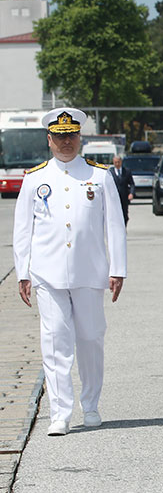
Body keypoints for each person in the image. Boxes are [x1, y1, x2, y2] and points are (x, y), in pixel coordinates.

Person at [13, 108, 127, 436]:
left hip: (90, 272)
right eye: (60, 137)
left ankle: (90, 405)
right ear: (49, 140)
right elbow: (23, 229)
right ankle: (59, 413)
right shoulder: (35, 178)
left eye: (71, 136)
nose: (66, 142)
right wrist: (23, 272)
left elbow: (114, 226)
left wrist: (118, 269)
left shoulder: (99, 176)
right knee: (55, 342)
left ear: (81, 138)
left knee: (91, 339)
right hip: (47, 273)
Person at [109, 155, 135, 226]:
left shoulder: (127, 171)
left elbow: (132, 184)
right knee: (114, 215)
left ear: (121, 162)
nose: (117, 164)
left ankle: (123, 229)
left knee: (124, 215)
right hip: (113, 198)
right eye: (115, 162)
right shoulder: (110, 172)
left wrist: (131, 193)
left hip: (124, 198)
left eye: (118, 162)